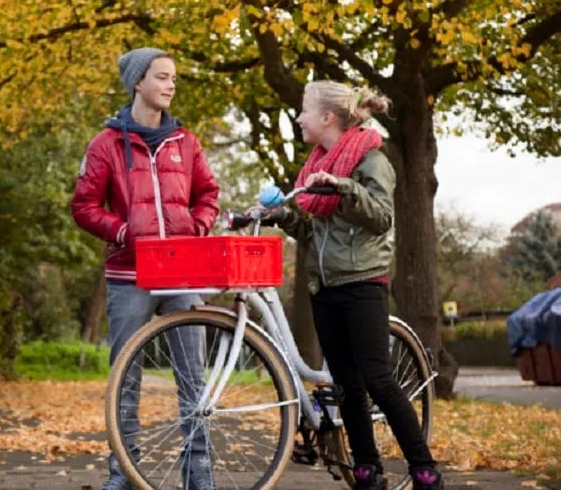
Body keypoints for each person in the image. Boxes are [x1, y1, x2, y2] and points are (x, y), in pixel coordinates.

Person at [255, 80, 444, 490]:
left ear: (327, 117)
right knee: (347, 387)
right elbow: (315, 233)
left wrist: (342, 187)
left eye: (304, 110)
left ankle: (423, 467)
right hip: (325, 288)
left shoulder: (370, 159)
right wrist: (281, 217)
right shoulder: (317, 166)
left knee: (378, 378)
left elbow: (380, 216)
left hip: (363, 285)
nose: (299, 117)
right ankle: (366, 468)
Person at [70, 47, 220, 490]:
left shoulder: (186, 143)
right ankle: (124, 474)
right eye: (162, 77)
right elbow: (83, 207)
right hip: (128, 277)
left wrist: (197, 225)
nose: (171, 85)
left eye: (173, 77)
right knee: (126, 378)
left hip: (182, 273)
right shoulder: (105, 145)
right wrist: (123, 233)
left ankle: (199, 476)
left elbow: (208, 194)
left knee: (194, 380)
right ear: (138, 83)